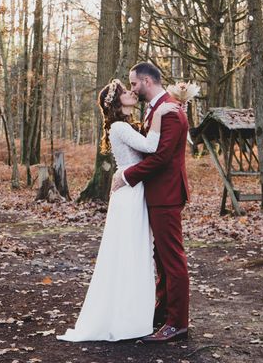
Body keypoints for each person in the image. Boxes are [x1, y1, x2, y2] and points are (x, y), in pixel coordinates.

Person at [57, 78, 180, 342]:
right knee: (129, 252)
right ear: (115, 102)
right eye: (125, 91)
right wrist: (159, 114)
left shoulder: (125, 126)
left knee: (135, 251)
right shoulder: (119, 127)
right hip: (130, 192)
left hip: (133, 190)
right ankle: (127, 317)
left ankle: (136, 312)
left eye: (131, 87)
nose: (131, 93)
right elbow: (150, 148)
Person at [111, 62, 190, 343]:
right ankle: (163, 313)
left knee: (172, 258)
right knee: (161, 257)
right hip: (157, 194)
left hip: (166, 194)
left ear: (146, 81)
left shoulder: (168, 111)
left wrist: (127, 176)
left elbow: (161, 158)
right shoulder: (158, 109)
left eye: (133, 84)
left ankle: (178, 322)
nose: (132, 88)